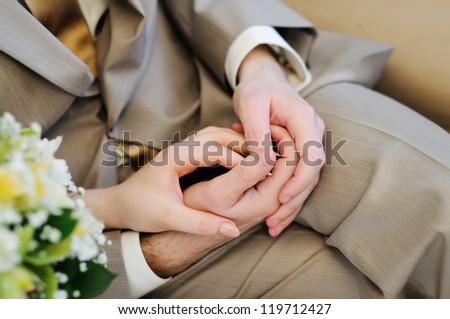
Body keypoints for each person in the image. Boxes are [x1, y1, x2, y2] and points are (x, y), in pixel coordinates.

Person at [1, 0, 449, 298]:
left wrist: (259, 67)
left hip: (215, 81)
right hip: (85, 252)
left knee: (428, 193)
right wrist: (130, 229)